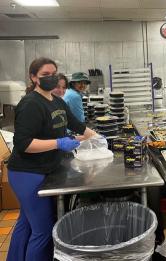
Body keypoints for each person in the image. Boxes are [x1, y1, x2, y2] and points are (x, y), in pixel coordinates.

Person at [7, 57, 96, 261]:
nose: (51, 78)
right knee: (43, 231)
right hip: (26, 173)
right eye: (45, 75)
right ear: (33, 77)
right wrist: (58, 143)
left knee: (26, 223)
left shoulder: (56, 101)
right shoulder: (30, 104)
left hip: (43, 169)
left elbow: (77, 125)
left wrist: (100, 139)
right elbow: (24, 143)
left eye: (53, 74)